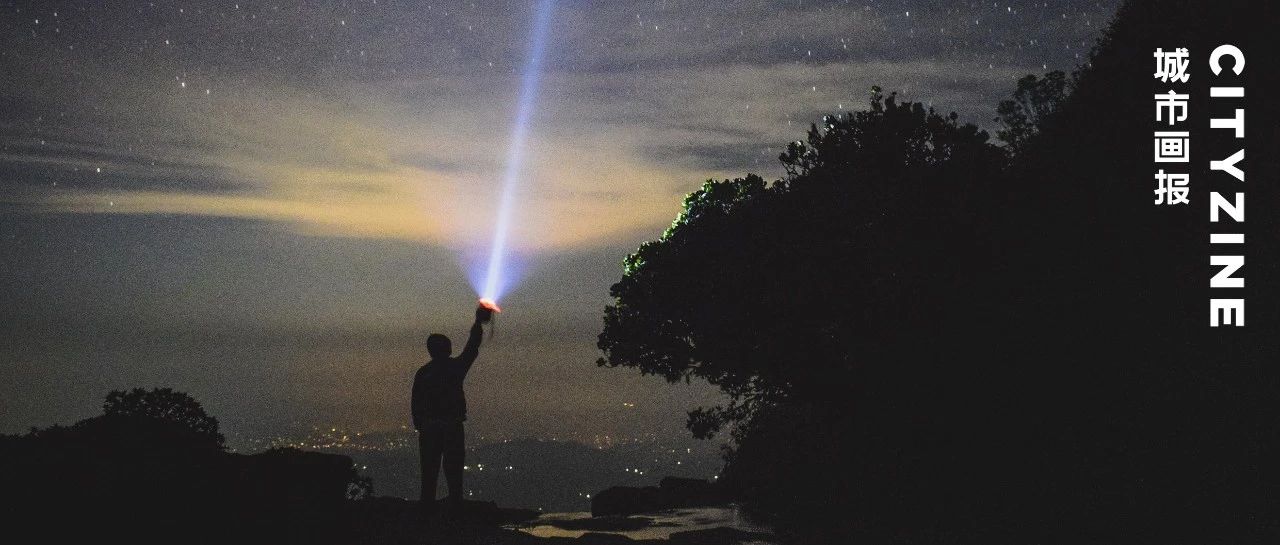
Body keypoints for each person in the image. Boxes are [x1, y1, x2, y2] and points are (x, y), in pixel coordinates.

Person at [412, 303, 493, 515]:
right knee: (453, 469)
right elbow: (471, 348)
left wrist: (422, 424)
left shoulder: (423, 373)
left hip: (430, 429)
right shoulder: (454, 368)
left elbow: (416, 403)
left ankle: (427, 508)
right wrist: (478, 322)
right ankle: (454, 508)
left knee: (430, 470)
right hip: (450, 427)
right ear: (445, 349)